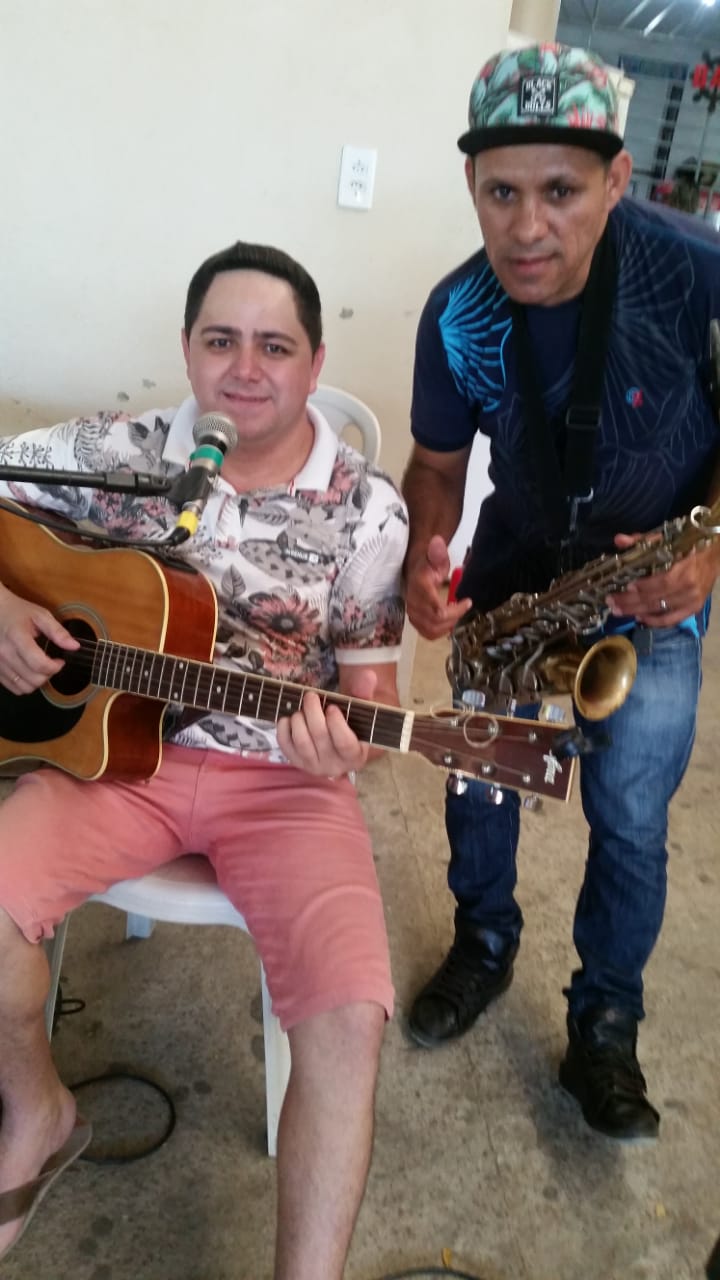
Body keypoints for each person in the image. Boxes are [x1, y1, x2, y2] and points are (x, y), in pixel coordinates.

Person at [0, 240, 408, 1276]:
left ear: (315, 363)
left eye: (276, 346)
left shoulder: (368, 507)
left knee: (350, 1015)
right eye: (221, 340)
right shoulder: (121, 448)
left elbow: (375, 694)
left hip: (285, 783)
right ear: (186, 348)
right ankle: (37, 1109)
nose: (246, 368)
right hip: (111, 757)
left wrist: (349, 740)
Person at [402, 43, 720, 1142]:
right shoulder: (456, 312)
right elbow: (436, 467)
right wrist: (424, 555)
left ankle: (606, 1024)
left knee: (628, 817)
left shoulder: (699, 273)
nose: (527, 228)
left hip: (651, 592)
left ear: (617, 179)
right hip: (514, 581)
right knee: (480, 785)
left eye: (561, 191)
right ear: (471, 183)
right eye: (502, 192)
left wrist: (707, 556)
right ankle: (483, 943)